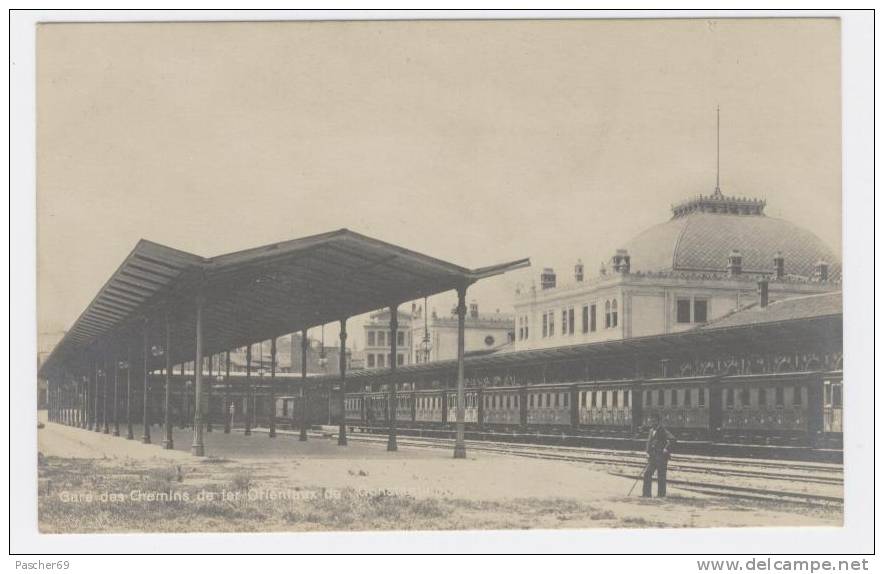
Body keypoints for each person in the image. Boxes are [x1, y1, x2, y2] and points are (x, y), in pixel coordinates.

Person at [642, 412, 676, 498]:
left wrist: (666, 449)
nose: (653, 423)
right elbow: (648, 442)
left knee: (661, 476)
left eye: (654, 421)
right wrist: (647, 452)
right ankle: (646, 494)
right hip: (653, 457)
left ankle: (661, 495)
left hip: (661, 458)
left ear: (658, 421)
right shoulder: (651, 431)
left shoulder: (663, 430)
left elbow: (672, 439)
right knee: (647, 474)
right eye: (651, 421)